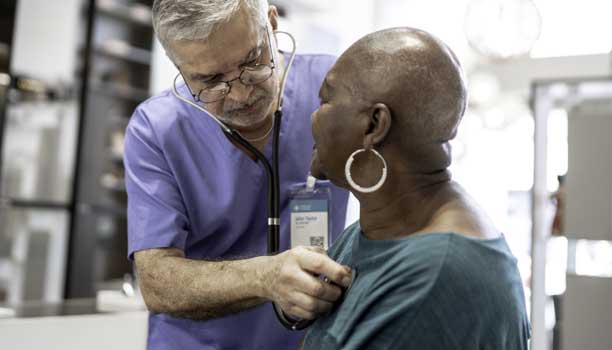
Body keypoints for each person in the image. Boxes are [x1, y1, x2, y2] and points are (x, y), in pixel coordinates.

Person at [123, 1, 351, 349]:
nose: (243, 94)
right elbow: (157, 283)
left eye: (252, 60)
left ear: (272, 24)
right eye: (211, 80)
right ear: (180, 70)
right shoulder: (157, 130)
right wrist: (265, 277)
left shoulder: (333, 89)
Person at [303, 28, 531, 349]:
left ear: (373, 125)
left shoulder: (435, 277)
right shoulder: (375, 230)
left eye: (325, 100)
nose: (312, 117)